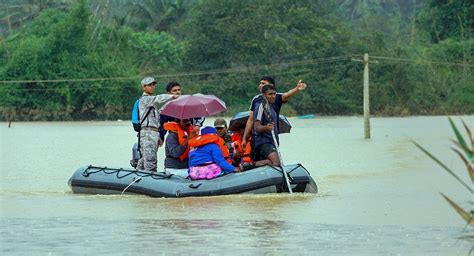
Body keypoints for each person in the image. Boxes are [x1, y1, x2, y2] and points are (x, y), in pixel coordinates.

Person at [241, 76, 307, 159]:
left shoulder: (276, 97)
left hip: (272, 136)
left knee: (272, 161)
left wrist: (296, 89)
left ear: (271, 85)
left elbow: (286, 95)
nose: (260, 85)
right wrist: (244, 138)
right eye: (260, 83)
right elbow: (250, 120)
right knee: (265, 160)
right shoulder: (256, 99)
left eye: (263, 83)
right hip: (258, 138)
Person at [135, 76, 178, 172]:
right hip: (148, 133)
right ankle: (147, 182)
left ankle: (136, 176)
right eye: (149, 85)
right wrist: (172, 96)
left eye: (153, 84)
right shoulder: (145, 99)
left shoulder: (151, 103)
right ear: (144, 87)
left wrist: (159, 135)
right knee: (151, 162)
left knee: (144, 160)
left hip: (153, 133)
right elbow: (158, 98)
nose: (152, 87)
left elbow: (158, 117)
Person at [246, 84, 281, 169]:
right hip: (263, 142)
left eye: (274, 94)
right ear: (264, 95)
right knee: (276, 162)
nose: (273, 96)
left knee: (273, 163)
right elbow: (256, 127)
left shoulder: (271, 107)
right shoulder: (261, 107)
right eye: (270, 94)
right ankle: (249, 165)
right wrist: (266, 127)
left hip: (271, 141)